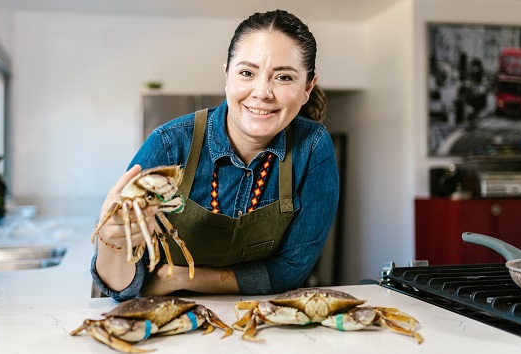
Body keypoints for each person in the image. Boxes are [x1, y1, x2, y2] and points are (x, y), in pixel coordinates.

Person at [91, 9, 339, 301]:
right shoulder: (169, 144)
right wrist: (111, 241)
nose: (262, 92)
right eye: (247, 72)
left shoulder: (313, 147)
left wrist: (180, 277)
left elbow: (291, 270)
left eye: (284, 77)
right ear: (226, 75)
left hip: (256, 322)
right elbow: (124, 288)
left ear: (308, 87)